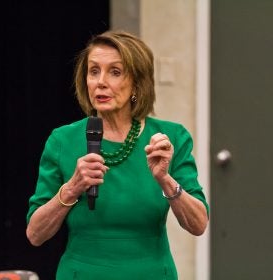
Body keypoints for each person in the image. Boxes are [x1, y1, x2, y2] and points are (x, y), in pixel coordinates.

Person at [26, 30, 209, 280]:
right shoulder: (62, 140)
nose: (101, 82)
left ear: (136, 82)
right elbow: (35, 234)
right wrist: (72, 188)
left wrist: (165, 179)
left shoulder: (170, 138)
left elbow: (198, 224)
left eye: (115, 72)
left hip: (152, 273)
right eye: (93, 71)